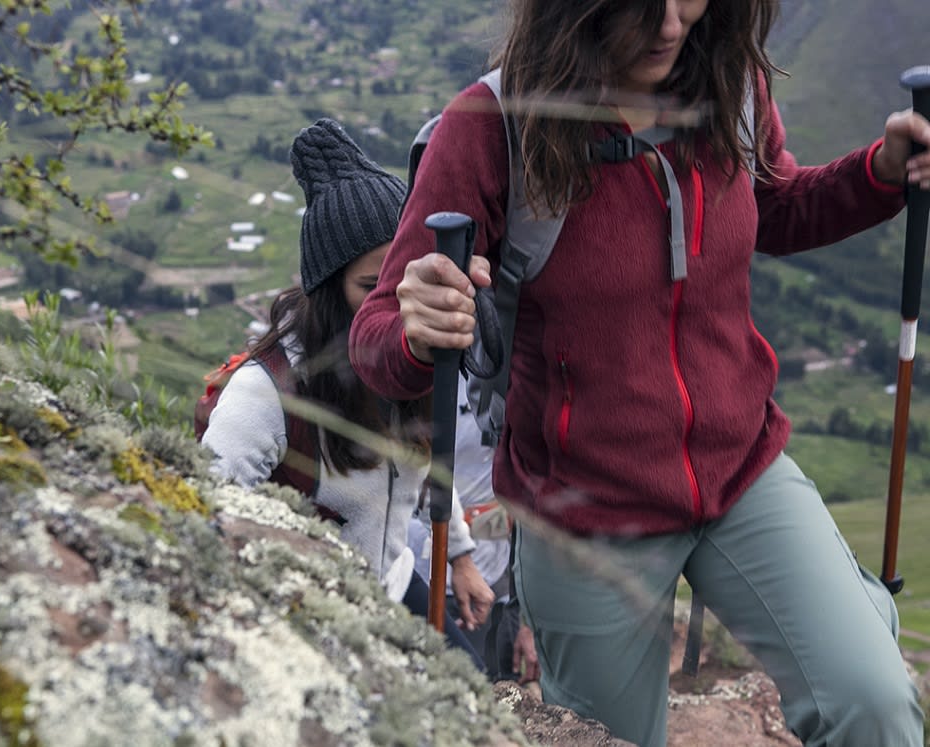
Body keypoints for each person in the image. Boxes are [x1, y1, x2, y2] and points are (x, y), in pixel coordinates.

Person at [348, 1, 930, 745]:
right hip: (585, 512)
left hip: (741, 470)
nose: (669, 22)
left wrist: (878, 174)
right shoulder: (492, 126)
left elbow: (774, 205)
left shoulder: (731, 85)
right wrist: (417, 332)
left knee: (874, 702)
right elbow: (376, 342)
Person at [200, 118, 494, 667]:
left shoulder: (412, 356)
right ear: (328, 290)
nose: (394, 301)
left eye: (402, 279)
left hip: (392, 581)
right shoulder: (268, 393)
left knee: (470, 684)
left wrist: (460, 557)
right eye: (370, 286)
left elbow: (433, 456)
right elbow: (206, 506)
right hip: (312, 611)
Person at [408, 375, 541, 684]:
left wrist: (530, 619)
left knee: (496, 694)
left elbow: (533, 495)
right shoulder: (418, 373)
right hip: (424, 575)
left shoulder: (509, 372)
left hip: (499, 583)